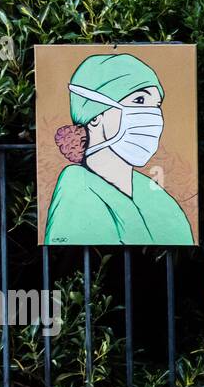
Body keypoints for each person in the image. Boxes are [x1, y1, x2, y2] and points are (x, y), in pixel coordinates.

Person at [44, 53, 195, 245]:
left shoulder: (156, 196)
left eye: (156, 105)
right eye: (140, 101)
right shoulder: (76, 194)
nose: (154, 115)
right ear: (95, 116)